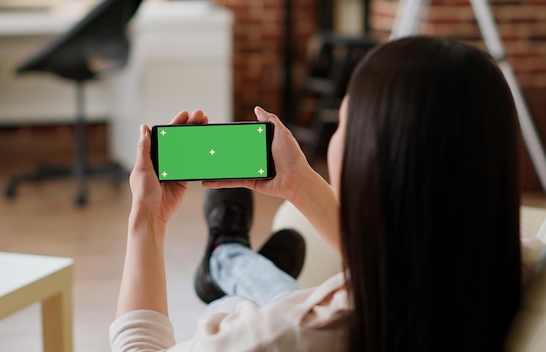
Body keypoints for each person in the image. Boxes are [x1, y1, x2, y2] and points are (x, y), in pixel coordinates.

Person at [110, 36, 522, 352]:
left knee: (227, 307)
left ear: (374, 161)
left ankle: (227, 255)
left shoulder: (287, 333)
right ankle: (231, 255)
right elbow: (398, 268)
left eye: (343, 123)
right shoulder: (509, 269)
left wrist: (147, 218)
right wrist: (300, 184)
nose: (335, 140)